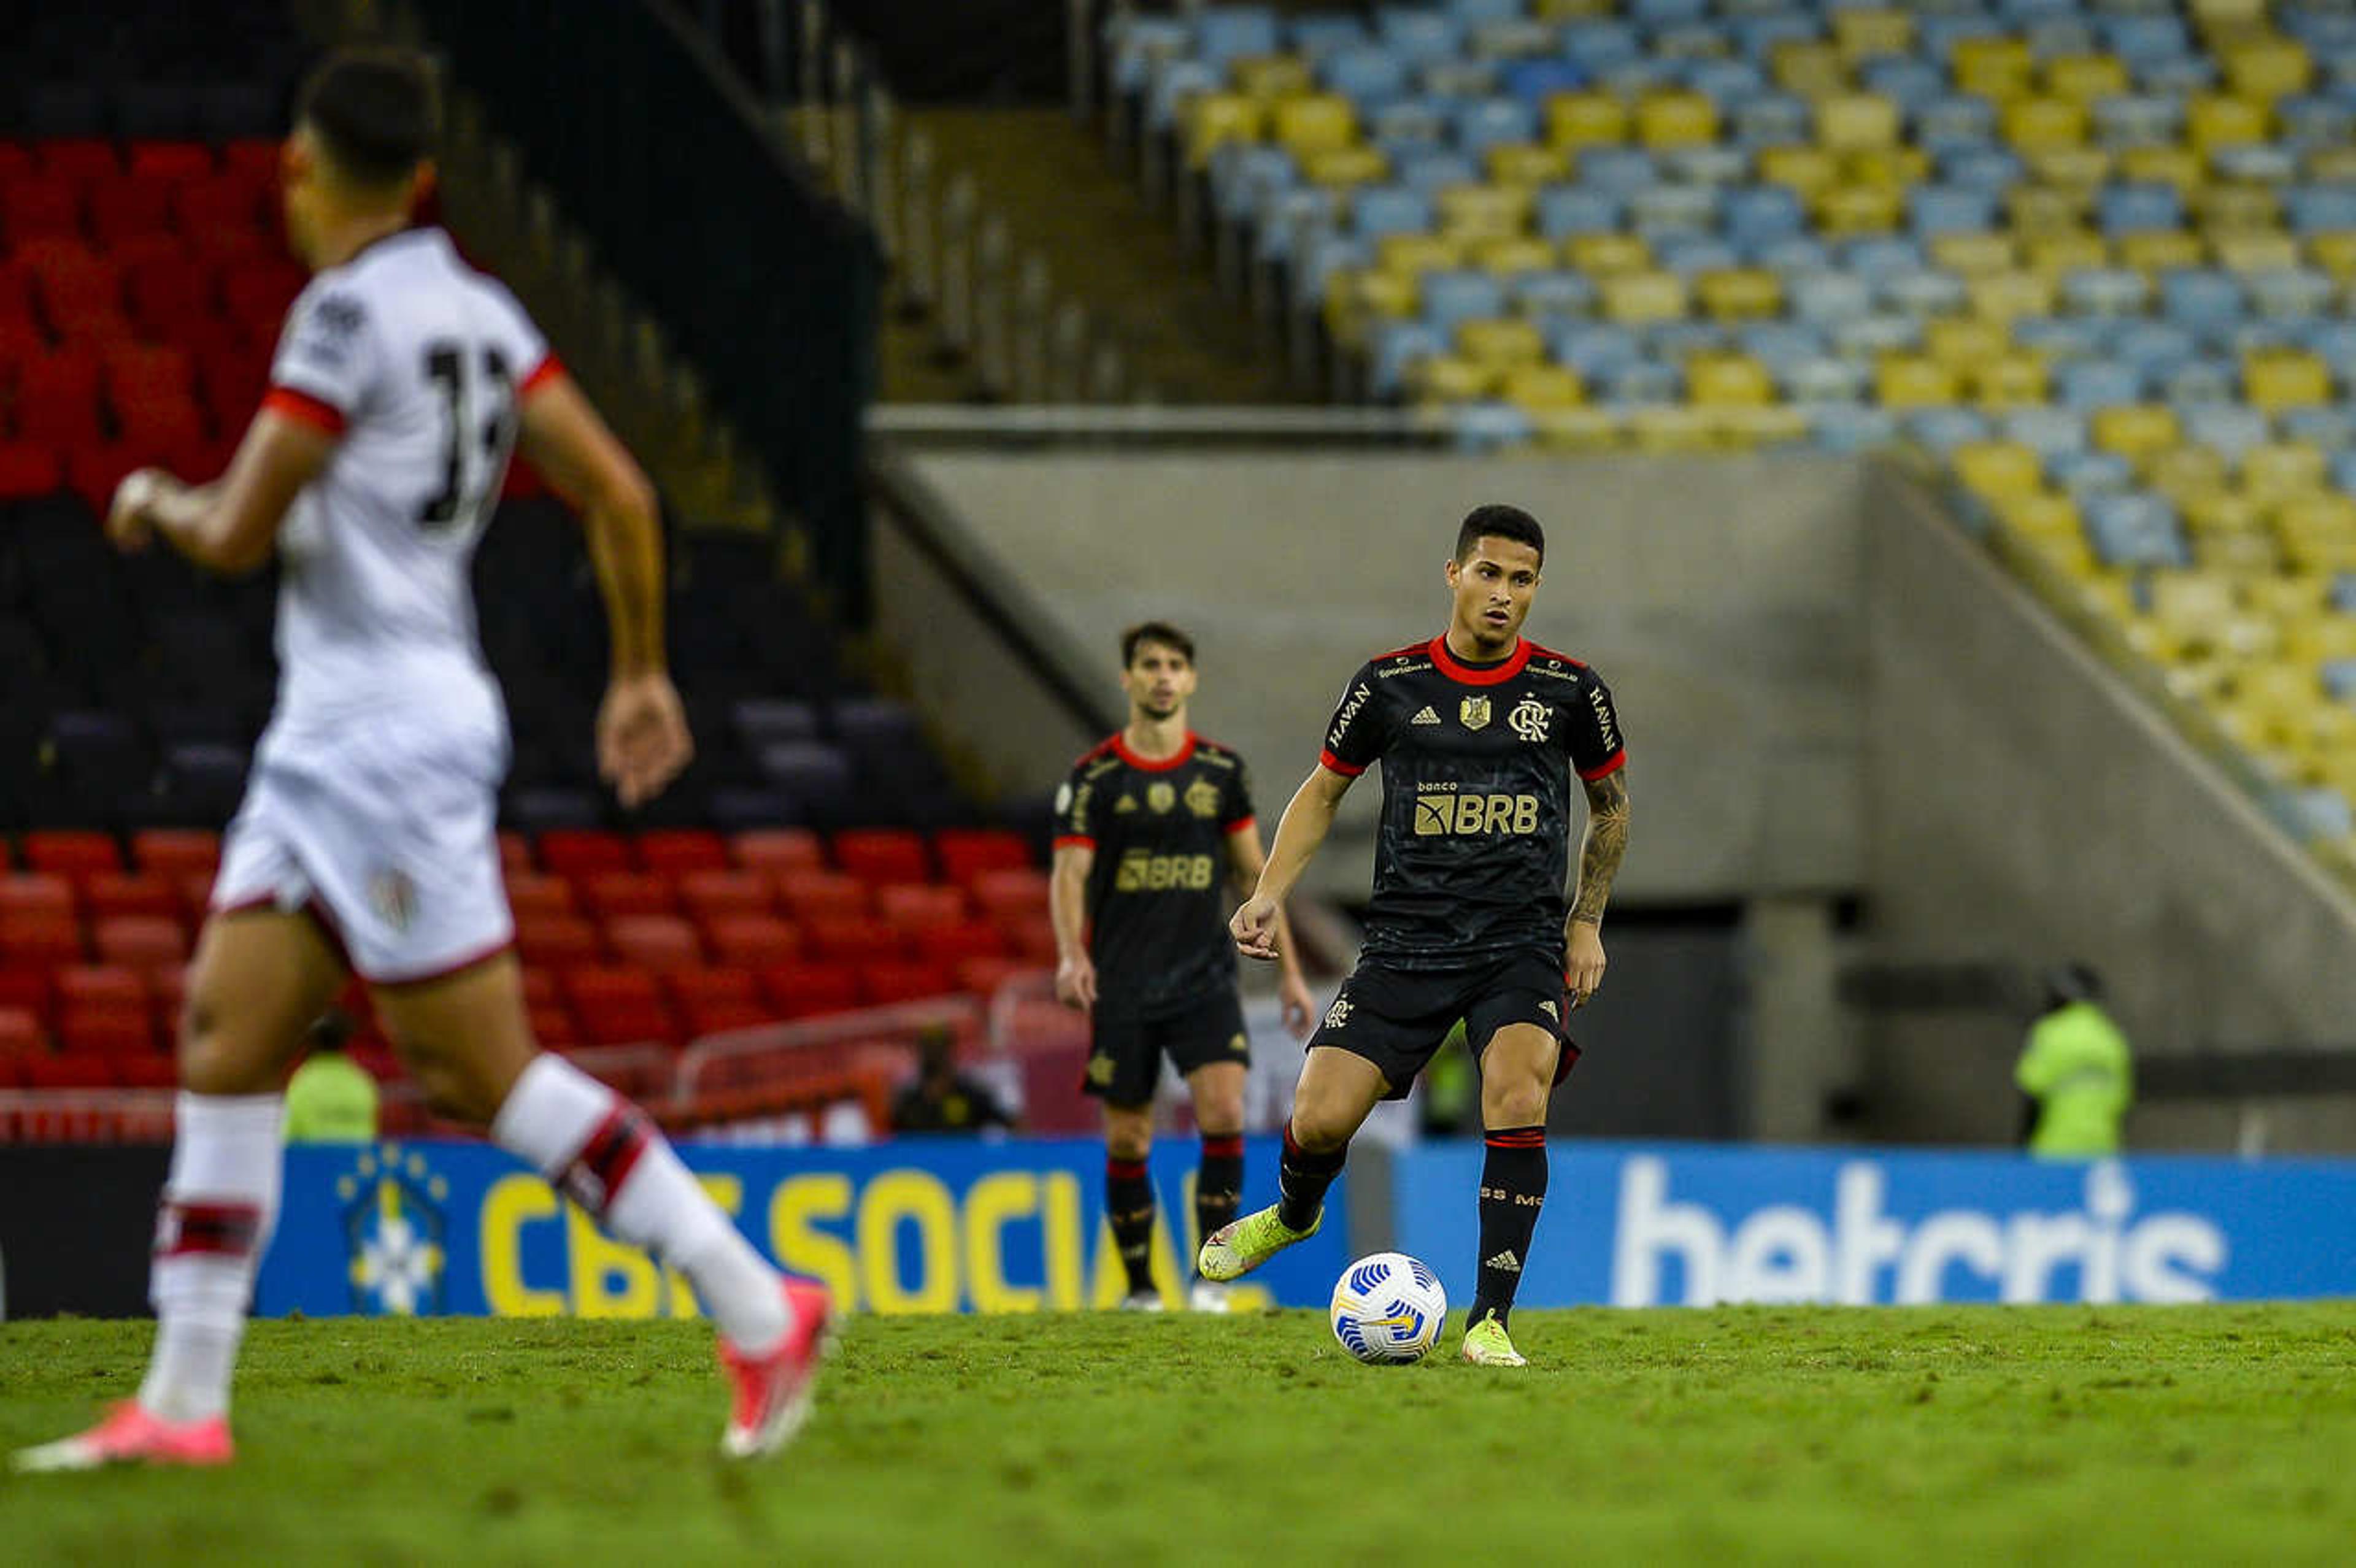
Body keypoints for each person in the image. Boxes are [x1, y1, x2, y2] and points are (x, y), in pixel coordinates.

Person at [15, 47, 825, 1474]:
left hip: (378, 741)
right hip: (341, 734)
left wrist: (153, 498)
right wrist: (638, 669)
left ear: (297, 170)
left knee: (479, 1075)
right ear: (431, 180)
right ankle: (184, 1401)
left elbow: (237, 531)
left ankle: (757, 1303)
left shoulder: (338, 320)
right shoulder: (484, 310)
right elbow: (620, 492)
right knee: (228, 1029)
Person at [1199, 504, 1630, 1369]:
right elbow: (1322, 794)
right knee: (1320, 1121)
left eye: (1522, 580)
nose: (1504, 594)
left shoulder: (1570, 691)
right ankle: (1293, 1214)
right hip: (1405, 944)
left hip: (1518, 943)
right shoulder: (1390, 686)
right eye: (1489, 574)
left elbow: (1611, 809)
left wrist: (1585, 920)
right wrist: (1267, 895)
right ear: (1454, 574)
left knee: (1517, 1097)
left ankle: (1490, 1321)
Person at [1052, 621, 1317, 1312]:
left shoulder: (1220, 772)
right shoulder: (1095, 779)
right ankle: (1141, 1289)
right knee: (1129, 1134)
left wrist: (1289, 973)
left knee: (1224, 1112)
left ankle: (1208, 1282)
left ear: (1191, 679)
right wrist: (1071, 952)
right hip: (1125, 983)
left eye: (1175, 665)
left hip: (1204, 978)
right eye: (1149, 665)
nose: (1163, 676)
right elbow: (1070, 875)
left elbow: (1254, 875)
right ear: (1128, 679)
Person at [2016, 963, 2133, 1158]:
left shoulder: (2050, 1032)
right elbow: (2122, 1103)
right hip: (2103, 1149)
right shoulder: (2112, 1039)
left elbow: (2032, 1092)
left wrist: (2022, 1146)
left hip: (2055, 1147)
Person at [890, 1024, 1016, 1135]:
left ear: (951, 1052)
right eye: (929, 1050)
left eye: (939, 1050)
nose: (934, 1057)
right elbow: (891, 1140)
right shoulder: (908, 1099)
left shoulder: (972, 1093)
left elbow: (1010, 1126)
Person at [280, 1009, 379, 1143]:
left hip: (316, 1162)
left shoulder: (302, 1085)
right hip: (354, 1162)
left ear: (311, 1042)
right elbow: (370, 1133)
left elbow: (289, 1140)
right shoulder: (362, 1083)